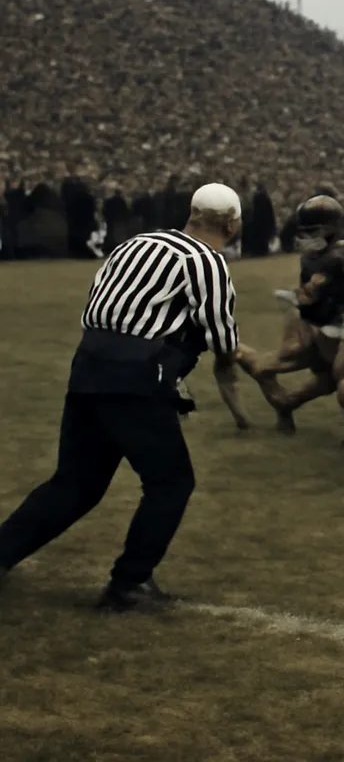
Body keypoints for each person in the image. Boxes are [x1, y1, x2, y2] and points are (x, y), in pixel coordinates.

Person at [0, 183, 245, 611]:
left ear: (191, 212)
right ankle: (129, 582)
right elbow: (222, 337)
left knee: (75, 482)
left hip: (89, 362)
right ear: (231, 223)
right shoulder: (205, 261)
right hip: (136, 375)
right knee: (171, 481)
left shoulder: (136, 243)